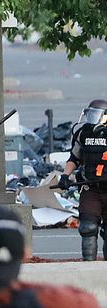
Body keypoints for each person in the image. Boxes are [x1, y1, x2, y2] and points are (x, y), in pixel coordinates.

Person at [55, 99, 107, 260]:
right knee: (88, 228)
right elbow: (74, 158)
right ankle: (88, 269)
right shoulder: (82, 133)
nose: (92, 117)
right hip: (90, 188)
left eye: (96, 114)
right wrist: (65, 176)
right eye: (90, 113)